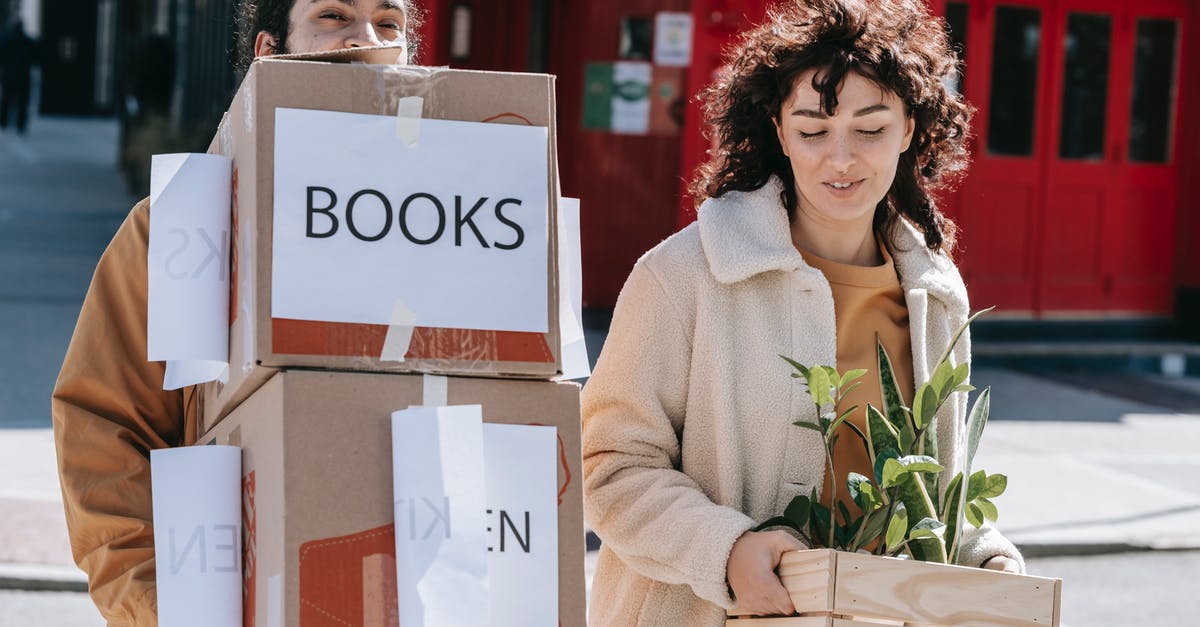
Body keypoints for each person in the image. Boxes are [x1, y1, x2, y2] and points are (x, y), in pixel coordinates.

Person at [581, 1, 1024, 625]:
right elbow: (609, 467)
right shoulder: (683, 275)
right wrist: (727, 550)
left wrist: (984, 559)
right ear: (778, 131)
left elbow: (929, 489)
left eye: (870, 129)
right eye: (813, 130)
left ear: (912, 130)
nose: (840, 160)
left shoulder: (935, 292)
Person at [52, 1, 419, 623]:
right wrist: (160, 610)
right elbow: (103, 436)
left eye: (390, 25)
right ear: (269, 53)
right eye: (333, 16)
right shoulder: (180, 229)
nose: (366, 39)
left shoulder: (462, 234)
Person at [0, 18, 38, 135]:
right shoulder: (28, 42)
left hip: (8, 74)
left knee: (6, 99)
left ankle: (4, 122)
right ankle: (20, 125)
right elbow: (35, 58)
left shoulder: (6, 40)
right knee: (23, 101)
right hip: (23, 75)